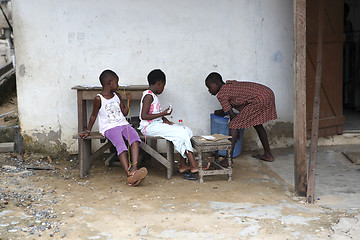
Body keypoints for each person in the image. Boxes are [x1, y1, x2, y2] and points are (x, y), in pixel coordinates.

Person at [79, 69, 147, 186]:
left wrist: (129, 101)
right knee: (121, 146)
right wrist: (88, 131)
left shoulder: (117, 96)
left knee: (135, 139)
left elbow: (124, 113)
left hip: (123, 124)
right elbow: (93, 115)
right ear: (110, 83)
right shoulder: (99, 98)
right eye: (117, 82)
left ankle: (134, 169)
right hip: (109, 128)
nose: (118, 85)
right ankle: (129, 175)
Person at [139, 69, 209, 177]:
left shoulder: (153, 95)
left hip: (155, 124)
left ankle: (183, 165)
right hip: (148, 127)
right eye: (163, 85)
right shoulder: (148, 96)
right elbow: (143, 116)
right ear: (160, 83)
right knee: (181, 133)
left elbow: (154, 113)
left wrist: (165, 119)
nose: (163, 88)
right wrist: (163, 113)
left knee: (186, 130)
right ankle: (194, 165)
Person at [205, 72, 277, 165]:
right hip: (266, 93)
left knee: (233, 125)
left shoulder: (221, 94)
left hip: (259, 99)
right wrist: (222, 111)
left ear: (217, 83)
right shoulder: (229, 86)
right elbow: (234, 100)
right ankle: (268, 155)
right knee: (257, 124)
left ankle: (228, 159)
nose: (209, 90)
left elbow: (232, 116)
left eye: (209, 87)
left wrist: (236, 131)